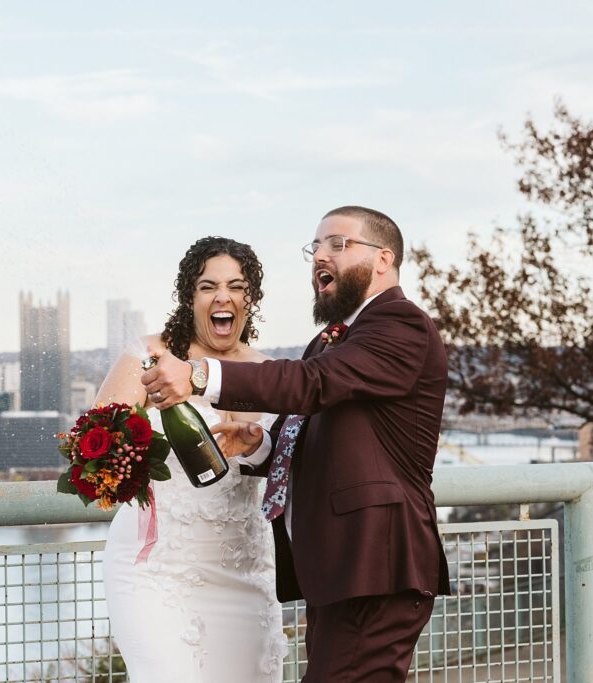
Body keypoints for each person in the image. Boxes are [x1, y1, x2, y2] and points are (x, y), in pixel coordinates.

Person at [142, 206, 451, 682]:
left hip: (380, 560)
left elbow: (311, 383)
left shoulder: (400, 324)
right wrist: (258, 446)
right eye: (315, 247)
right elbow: (318, 432)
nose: (320, 257)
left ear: (384, 260)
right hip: (347, 567)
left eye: (338, 244)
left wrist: (199, 374)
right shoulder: (333, 341)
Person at [99, 236, 288, 683]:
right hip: (157, 571)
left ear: (250, 299)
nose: (223, 297)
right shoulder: (151, 357)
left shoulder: (272, 373)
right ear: (190, 296)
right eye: (208, 286)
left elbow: (290, 467)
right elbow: (95, 449)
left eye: (236, 287)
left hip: (246, 571)